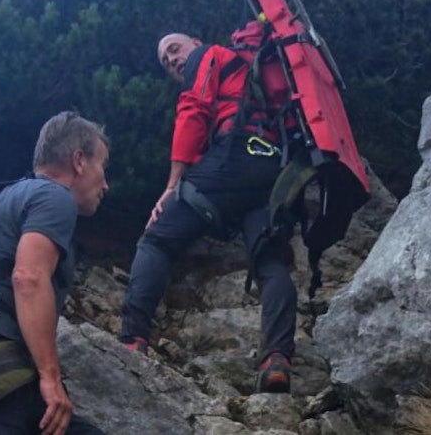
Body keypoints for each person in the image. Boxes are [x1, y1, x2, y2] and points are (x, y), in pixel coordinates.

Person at [118, 33, 297, 394]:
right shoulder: (251, 72)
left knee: (155, 241)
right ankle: (276, 359)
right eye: (166, 62)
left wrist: (172, 186)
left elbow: (193, 111)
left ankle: (132, 341)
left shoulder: (209, 56)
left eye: (174, 50)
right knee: (271, 265)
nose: (172, 61)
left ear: (195, 43)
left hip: (235, 158)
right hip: (276, 171)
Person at [0, 111, 109, 434]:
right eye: (102, 166)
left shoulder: (7, 198)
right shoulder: (54, 197)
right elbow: (29, 278)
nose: (105, 183)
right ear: (79, 161)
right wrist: (51, 378)